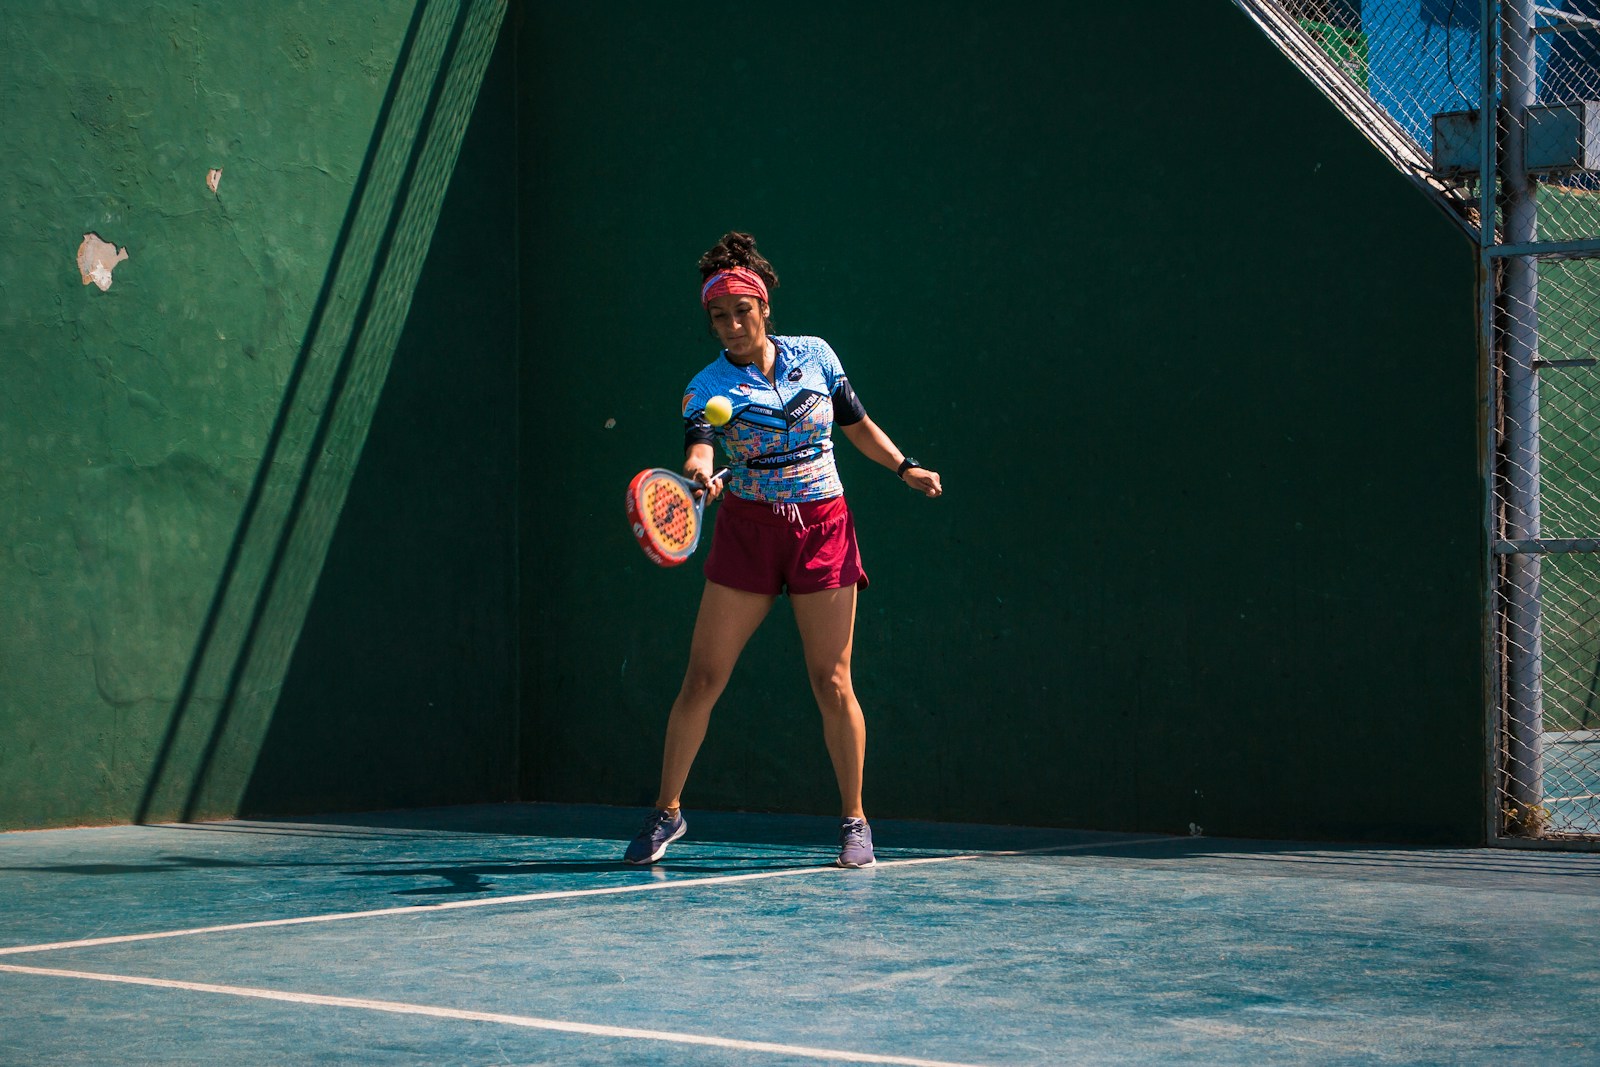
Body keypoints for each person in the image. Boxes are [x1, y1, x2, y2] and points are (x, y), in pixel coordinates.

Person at [624, 232, 942, 869]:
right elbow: (700, 449)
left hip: (823, 527)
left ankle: (855, 822)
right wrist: (696, 474)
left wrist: (903, 466)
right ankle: (667, 812)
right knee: (704, 678)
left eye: (742, 311)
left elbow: (856, 424)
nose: (732, 325)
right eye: (719, 316)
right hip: (749, 532)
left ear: (764, 307)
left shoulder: (816, 357)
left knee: (832, 680)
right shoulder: (706, 387)